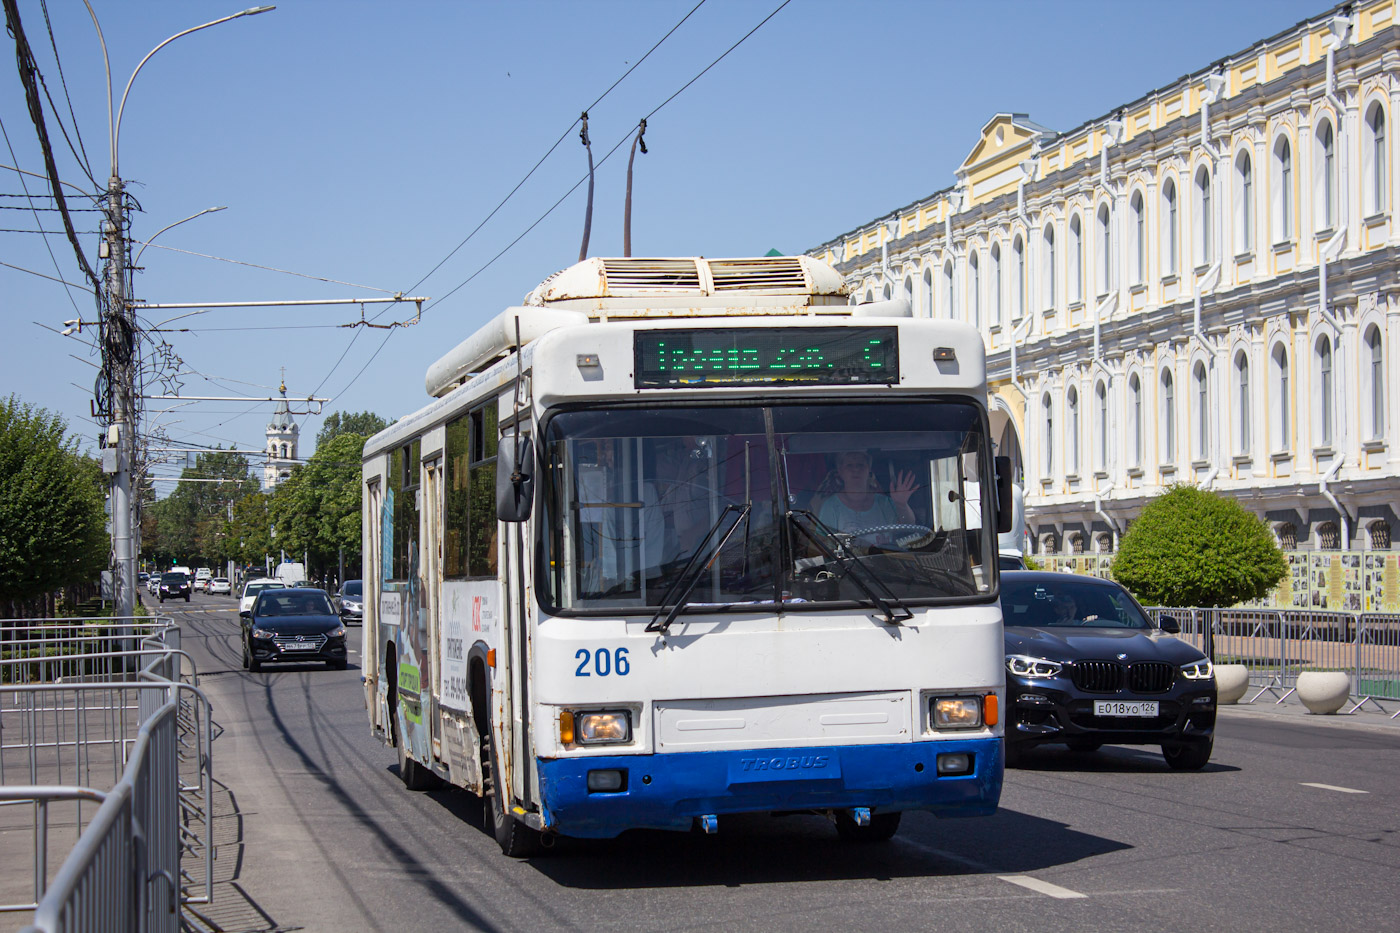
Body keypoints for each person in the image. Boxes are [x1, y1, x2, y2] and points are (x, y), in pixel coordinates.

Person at [817, 450, 917, 535]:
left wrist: (901, 505)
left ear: (869, 469)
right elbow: (823, 544)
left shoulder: (884, 503)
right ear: (840, 471)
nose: (856, 469)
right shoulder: (831, 506)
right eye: (849, 465)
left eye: (860, 465)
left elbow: (908, 527)